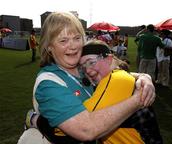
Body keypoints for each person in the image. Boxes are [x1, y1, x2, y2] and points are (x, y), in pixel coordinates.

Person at [18, 12, 155, 144]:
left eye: (77, 38)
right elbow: (86, 130)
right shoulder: (49, 83)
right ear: (49, 47)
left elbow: (110, 78)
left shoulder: (82, 69)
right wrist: (138, 99)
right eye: (63, 40)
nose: (72, 46)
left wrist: (143, 76)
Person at [80, 40, 163, 144]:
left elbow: (82, 123)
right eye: (83, 67)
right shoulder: (112, 78)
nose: (87, 70)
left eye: (91, 62)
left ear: (109, 59)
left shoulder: (117, 79)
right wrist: (144, 76)